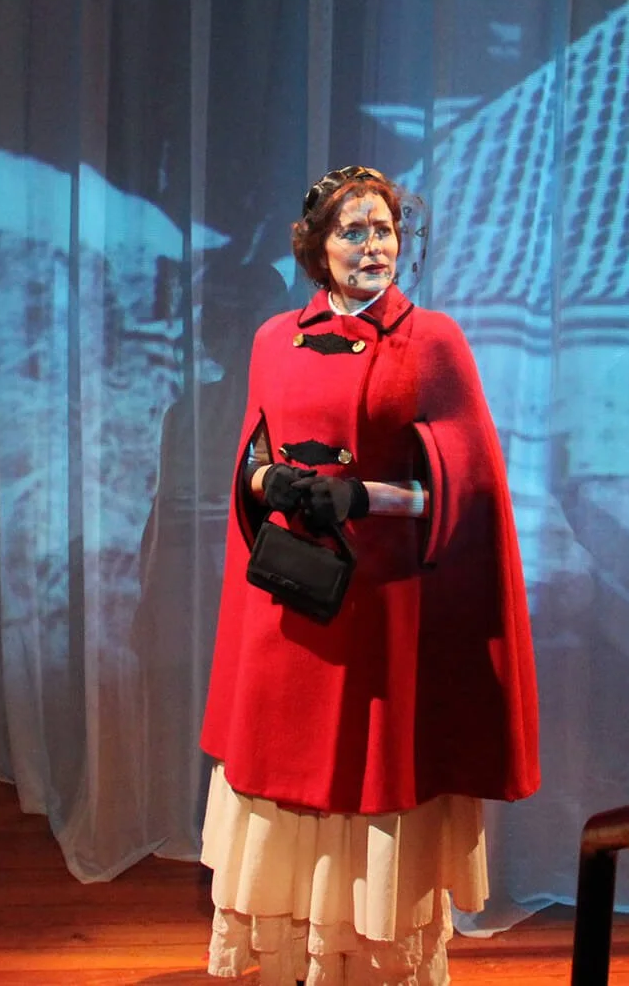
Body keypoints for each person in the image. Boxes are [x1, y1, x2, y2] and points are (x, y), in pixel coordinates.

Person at [199, 165, 541, 984]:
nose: (372, 246)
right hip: (294, 604)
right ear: (317, 247)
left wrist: (363, 495)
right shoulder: (273, 338)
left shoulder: (433, 340)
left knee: (371, 783)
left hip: (382, 609)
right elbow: (251, 455)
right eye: (352, 231)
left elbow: (466, 486)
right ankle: (295, 962)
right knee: (286, 783)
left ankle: (372, 965)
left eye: (383, 229)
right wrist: (272, 482)